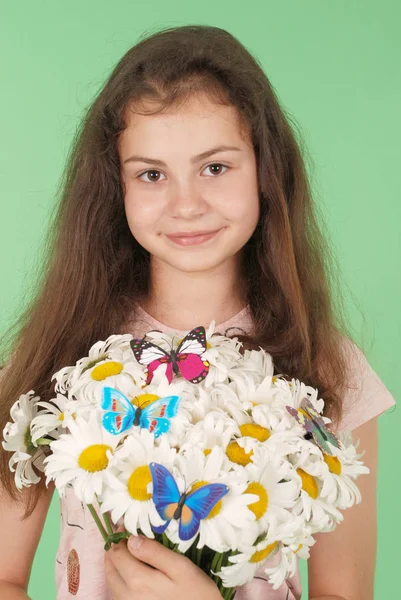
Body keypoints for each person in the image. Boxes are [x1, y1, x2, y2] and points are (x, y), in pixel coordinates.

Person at [0, 24, 396, 600]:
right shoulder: (56, 356)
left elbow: (345, 592)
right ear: (117, 188)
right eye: (152, 174)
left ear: (266, 171)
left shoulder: (330, 368)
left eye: (215, 167)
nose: (186, 205)